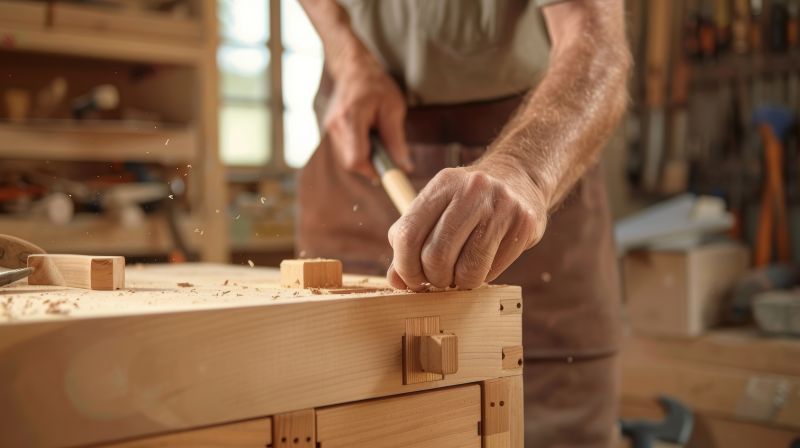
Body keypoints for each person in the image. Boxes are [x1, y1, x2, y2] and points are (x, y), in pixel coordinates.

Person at [295, 0, 631, 446]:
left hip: (537, 140)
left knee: (552, 420)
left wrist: (525, 169)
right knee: (340, 410)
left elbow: (597, 46)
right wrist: (346, 53)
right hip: (367, 144)